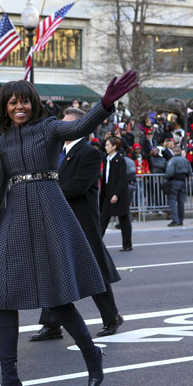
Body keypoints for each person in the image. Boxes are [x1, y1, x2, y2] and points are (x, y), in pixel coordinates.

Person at [0, 71, 138, 386]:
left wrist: (104, 104)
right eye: (13, 101)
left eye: (25, 100)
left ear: (33, 104)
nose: (19, 106)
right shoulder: (0, 145)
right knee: (4, 300)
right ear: (5, 107)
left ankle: (92, 355)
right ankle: (10, 381)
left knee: (58, 299)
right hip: (16, 219)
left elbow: (78, 128)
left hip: (49, 212)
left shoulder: (49, 129)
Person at [30, 107, 124, 343]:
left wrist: (47, 193)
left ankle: (111, 317)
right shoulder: (55, 152)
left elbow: (79, 186)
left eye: (68, 124)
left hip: (81, 220)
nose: (63, 128)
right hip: (57, 219)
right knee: (53, 272)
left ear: (80, 126)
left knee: (94, 272)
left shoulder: (89, 153)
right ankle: (51, 324)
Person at [100, 136, 132, 251]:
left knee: (124, 220)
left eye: (108, 145)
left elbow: (122, 179)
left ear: (114, 147)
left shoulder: (120, 160)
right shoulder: (106, 158)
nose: (106, 147)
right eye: (106, 145)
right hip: (107, 191)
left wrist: (116, 194)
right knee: (103, 219)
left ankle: (127, 244)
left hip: (118, 193)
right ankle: (97, 244)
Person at [164, 146, 192, 226]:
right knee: (181, 202)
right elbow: (190, 171)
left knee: (172, 201)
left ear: (174, 152)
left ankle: (175, 220)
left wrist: (166, 177)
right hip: (183, 181)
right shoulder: (185, 160)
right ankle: (181, 220)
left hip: (174, 181)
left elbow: (169, 172)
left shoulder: (172, 160)